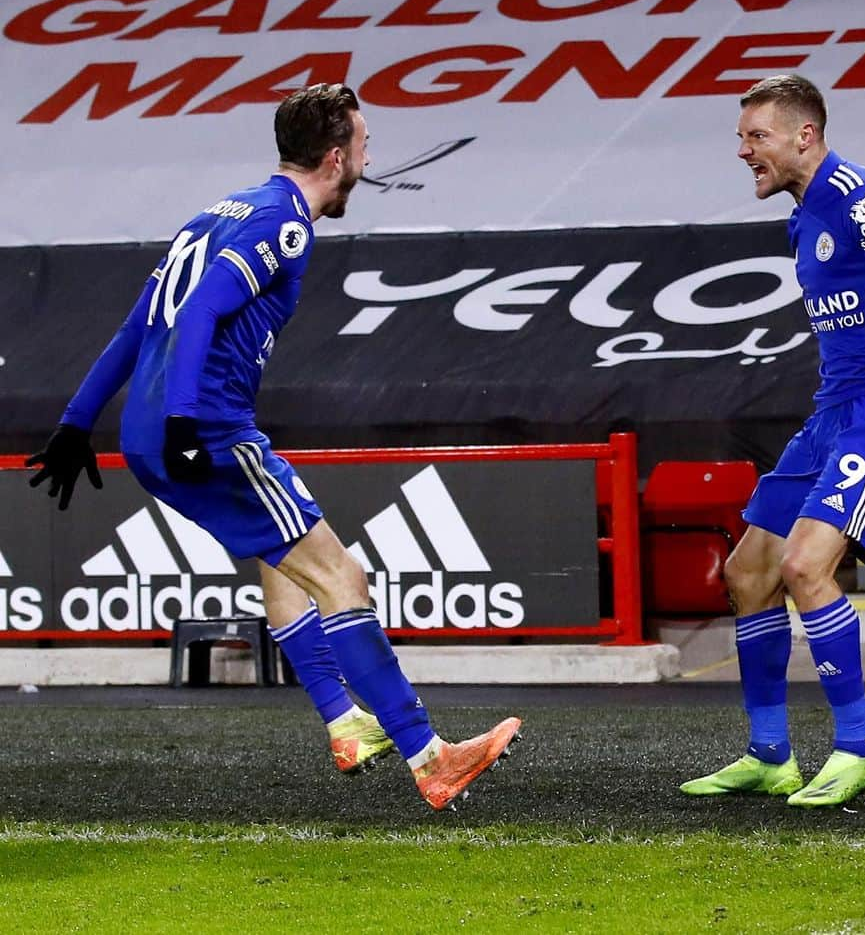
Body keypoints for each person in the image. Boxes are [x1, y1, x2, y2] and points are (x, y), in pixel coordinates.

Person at [26, 83, 521, 811]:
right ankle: (429, 755)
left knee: (282, 556)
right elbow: (199, 311)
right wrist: (188, 422)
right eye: (364, 143)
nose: (368, 157)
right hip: (205, 428)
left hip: (149, 432)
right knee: (343, 578)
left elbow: (139, 325)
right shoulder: (283, 226)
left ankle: (345, 721)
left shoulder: (217, 213)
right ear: (335, 156)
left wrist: (76, 423)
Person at [680, 74, 865, 807]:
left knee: (805, 567)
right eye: (741, 137)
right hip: (831, 412)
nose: (742, 151)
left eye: (755, 136)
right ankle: (770, 756)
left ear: (805, 134)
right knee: (747, 573)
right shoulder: (802, 216)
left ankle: (858, 750)